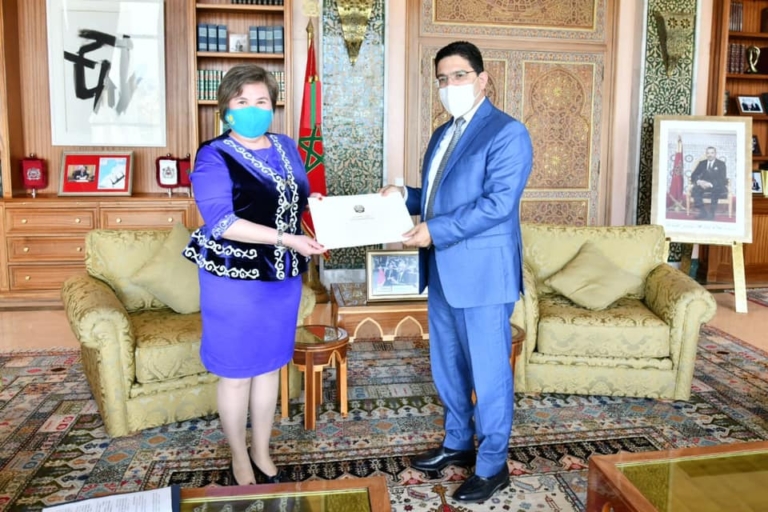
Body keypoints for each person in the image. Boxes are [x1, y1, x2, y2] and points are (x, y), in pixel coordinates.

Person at [381, 41, 533, 503]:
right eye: (443, 79)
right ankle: (457, 443)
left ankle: (492, 466)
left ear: (482, 79)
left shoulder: (507, 133)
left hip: (483, 274)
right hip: (444, 269)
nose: (450, 86)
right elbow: (436, 196)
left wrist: (434, 230)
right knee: (447, 365)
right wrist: (403, 195)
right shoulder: (442, 133)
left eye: (460, 76)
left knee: (488, 373)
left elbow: (497, 204)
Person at [182, 64, 326, 486]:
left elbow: (294, 198)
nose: (252, 108)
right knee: (236, 373)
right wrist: (288, 238)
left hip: (281, 279)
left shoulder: (286, 146)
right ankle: (237, 453)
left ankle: (261, 449)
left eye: (261, 101)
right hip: (234, 280)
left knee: (268, 367)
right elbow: (222, 222)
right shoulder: (213, 154)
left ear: (273, 106)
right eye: (242, 101)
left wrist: (315, 204)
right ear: (226, 108)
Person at [690, 146, 727, 220]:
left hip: (716, 185)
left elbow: (722, 179)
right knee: (695, 189)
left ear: (715, 154)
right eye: (708, 153)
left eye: (712, 153)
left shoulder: (721, 164)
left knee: (716, 189)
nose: (710, 155)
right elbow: (693, 175)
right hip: (703, 185)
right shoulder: (702, 163)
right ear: (706, 154)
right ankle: (703, 212)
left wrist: (710, 184)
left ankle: (711, 213)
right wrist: (699, 182)